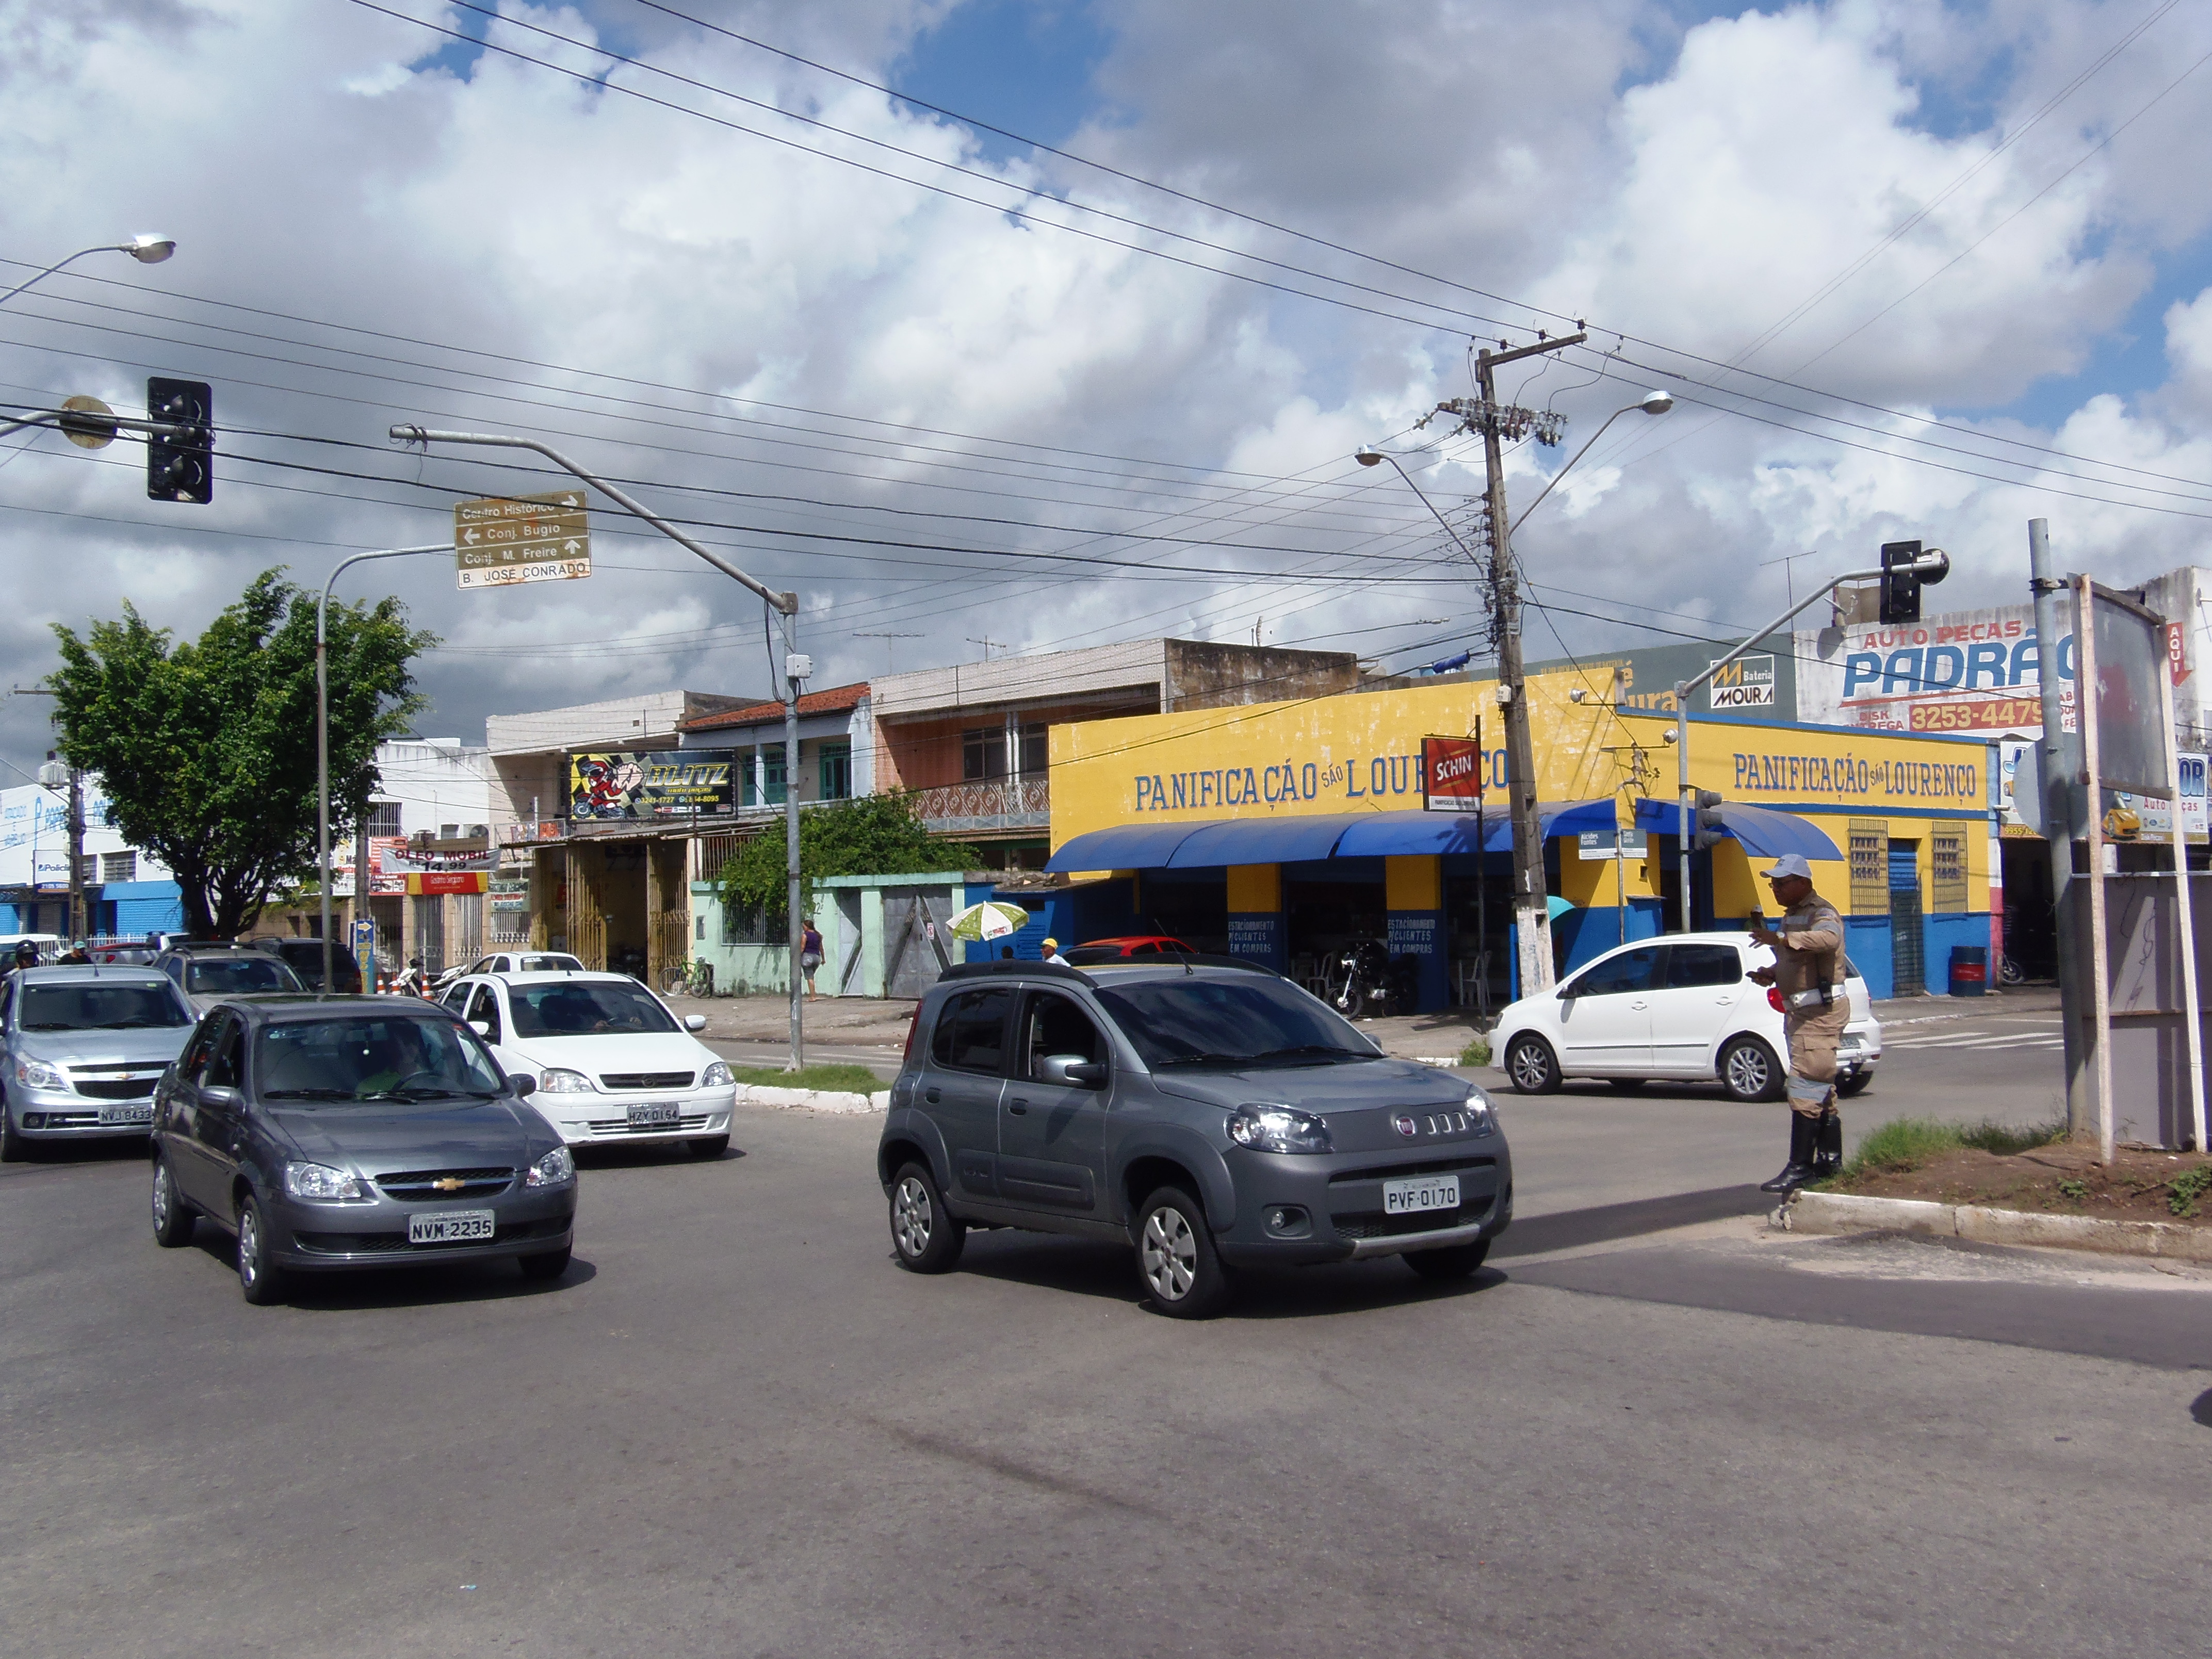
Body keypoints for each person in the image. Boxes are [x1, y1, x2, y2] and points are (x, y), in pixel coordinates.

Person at [1746, 853, 1848, 1193]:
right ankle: (1829, 1163)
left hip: (1819, 1016)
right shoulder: (1792, 916)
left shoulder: (1821, 912)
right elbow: (1792, 961)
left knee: (1805, 1089)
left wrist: (1783, 940)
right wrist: (1771, 974)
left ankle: (1801, 1168)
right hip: (1801, 1015)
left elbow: (1829, 940)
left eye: (1781, 883)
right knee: (1821, 1090)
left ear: (1803, 883)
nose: (1775, 889)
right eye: (1772, 883)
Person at [800, 918, 823, 1000]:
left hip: (808, 957)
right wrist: (823, 959)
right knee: (811, 976)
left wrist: (798, 957)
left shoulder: (805, 935)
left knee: (810, 978)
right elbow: (821, 948)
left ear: (807, 926)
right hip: (817, 957)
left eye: (804, 926)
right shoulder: (818, 935)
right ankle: (813, 994)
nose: (803, 928)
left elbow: (802, 948)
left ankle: (813, 996)